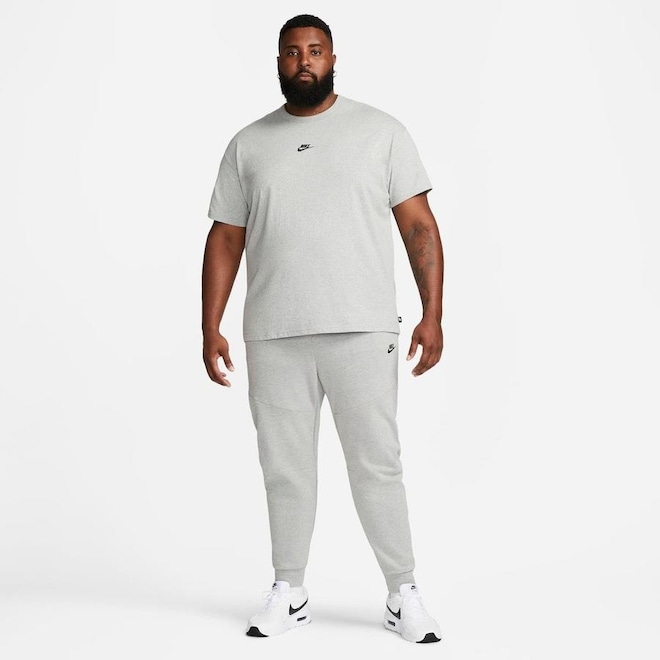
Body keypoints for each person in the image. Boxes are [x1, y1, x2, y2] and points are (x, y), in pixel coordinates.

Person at [202, 14, 444, 644]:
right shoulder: (248, 144)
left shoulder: (381, 132)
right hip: (274, 332)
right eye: (292, 52)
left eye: (315, 51)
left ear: (333, 58)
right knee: (284, 469)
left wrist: (433, 313)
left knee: (376, 464)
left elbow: (419, 225)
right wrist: (211, 325)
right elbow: (225, 237)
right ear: (278, 62)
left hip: (362, 328)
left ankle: (403, 591)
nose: (303, 61)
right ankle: (289, 589)